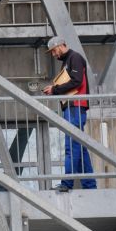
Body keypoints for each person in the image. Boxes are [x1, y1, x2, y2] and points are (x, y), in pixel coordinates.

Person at [42, 36, 96, 191]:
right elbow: (73, 81)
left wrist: (55, 89)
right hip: (73, 107)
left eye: (53, 51)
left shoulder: (75, 57)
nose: (53, 54)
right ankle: (90, 185)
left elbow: (76, 81)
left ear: (60, 46)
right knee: (80, 147)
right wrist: (54, 89)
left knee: (72, 146)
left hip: (75, 107)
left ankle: (67, 184)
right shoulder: (69, 61)